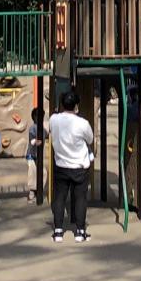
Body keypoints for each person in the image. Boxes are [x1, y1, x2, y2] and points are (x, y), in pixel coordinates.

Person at [46, 89, 94, 243]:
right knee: (80, 198)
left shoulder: (54, 119)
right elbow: (90, 139)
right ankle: (80, 232)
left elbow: (49, 129)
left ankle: (58, 231)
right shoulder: (82, 123)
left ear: (62, 104)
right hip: (79, 166)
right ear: (76, 106)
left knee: (59, 197)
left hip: (61, 164)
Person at [25, 106, 44, 203]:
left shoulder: (42, 128)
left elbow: (47, 135)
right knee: (32, 172)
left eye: (41, 116)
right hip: (31, 155)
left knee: (43, 172)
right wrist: (36, 142)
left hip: (39, 155)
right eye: (37, 116)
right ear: (34, 117)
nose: (40, 118)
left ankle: (38, 189)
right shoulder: (33, 128)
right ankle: (31, 192)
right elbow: (32, 140)